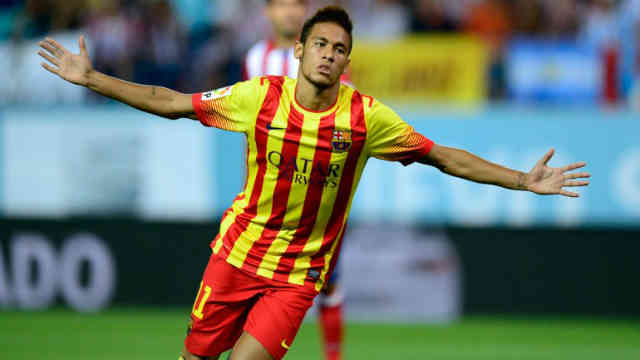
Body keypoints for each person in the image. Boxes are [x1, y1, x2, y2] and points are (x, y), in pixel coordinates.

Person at [38, 6, 590, 360]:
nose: (330, 55)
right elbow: (172, 103)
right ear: (299, 51)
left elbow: (443, 157)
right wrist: (92, 79)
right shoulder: (258, 97)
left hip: (298, 276)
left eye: (340, 48)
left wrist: (522, 180)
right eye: (321, 45)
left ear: (348, 60)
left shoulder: (366, 118)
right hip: (235, 256)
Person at [243, 2, 345, 360]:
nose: (290, 12)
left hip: (317, 199)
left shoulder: (327, 57)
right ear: (268, 11)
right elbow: (251, 125)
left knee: (327, 283)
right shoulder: (256, 58)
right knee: (253, 284)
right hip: (270, 196)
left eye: (297, 4)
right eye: (282, 4)